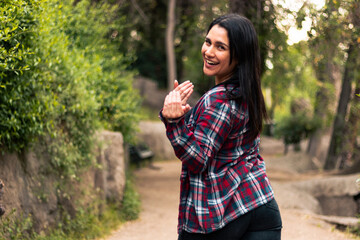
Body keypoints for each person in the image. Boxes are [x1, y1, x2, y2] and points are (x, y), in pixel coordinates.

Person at [159, 14, 282, 240]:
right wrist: (186, 119)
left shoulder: (219, 100)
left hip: (224, 214)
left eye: (221, 47)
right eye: (208, 42)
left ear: (239, 55)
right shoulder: (247, 93)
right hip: (261, 205)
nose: (209, 51)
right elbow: (221, 146)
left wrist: (174, 123)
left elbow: (198, 159)